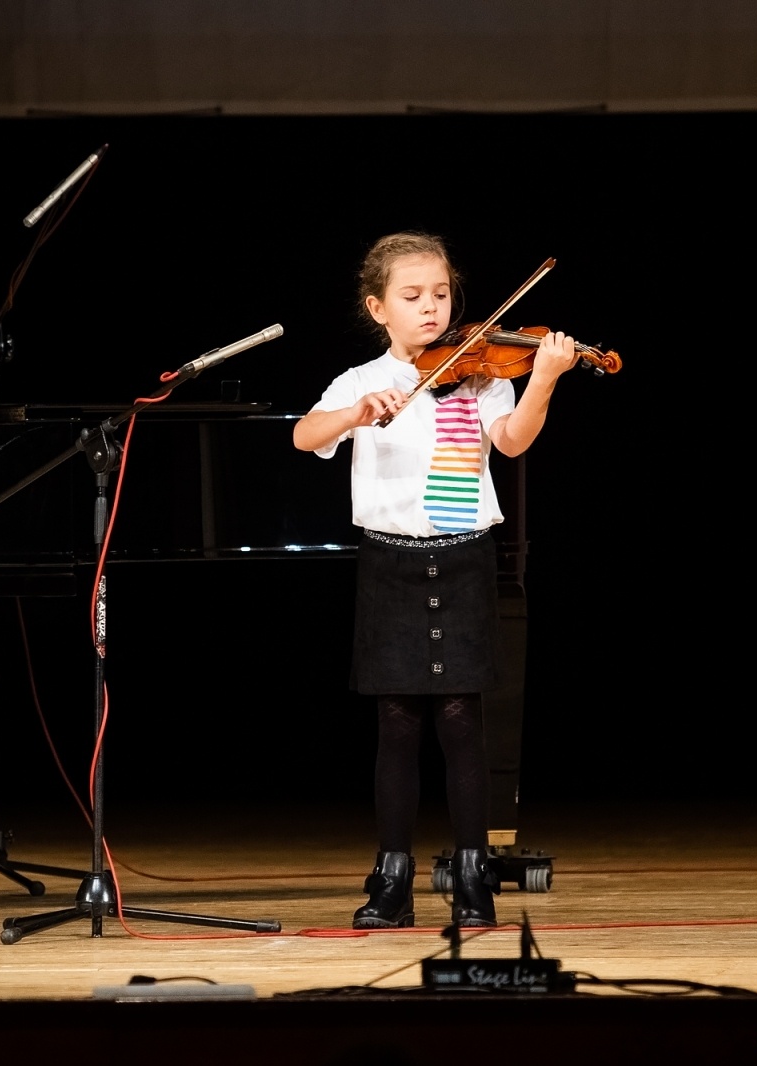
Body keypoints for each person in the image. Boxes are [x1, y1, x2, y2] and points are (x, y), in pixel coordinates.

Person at [292, 232, 578, 929]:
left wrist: (543, 377)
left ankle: (474, 876)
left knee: (461, 721)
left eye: (442, 294)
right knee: (396, 725)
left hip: (463, 557)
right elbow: (305, 435)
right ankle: (392, 879)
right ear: (378, 307)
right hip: (389, 562)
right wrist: (358, 412)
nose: (431, 308)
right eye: (413, 296)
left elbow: (512, 440)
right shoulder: (361, 380)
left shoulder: (481, 374)